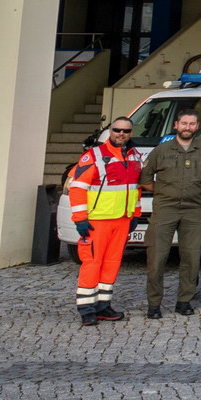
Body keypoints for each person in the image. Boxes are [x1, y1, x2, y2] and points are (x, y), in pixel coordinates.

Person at [67, 116, 142, 325]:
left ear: (131, 133)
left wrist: (135, 214)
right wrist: (80, 219)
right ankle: (87, 309)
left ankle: (103, 305)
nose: (121, 134)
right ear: (110, 131)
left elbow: (136, 189)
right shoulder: (94, 156)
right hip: (97, 221)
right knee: (92, 263)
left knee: (112, 264)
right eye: (117, 129)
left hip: (121, 221)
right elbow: (77, 188)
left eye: (126, 131)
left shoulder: (134, 156)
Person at [140, 109, 201, 318]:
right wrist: (166, 190)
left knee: (191, 258)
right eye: (184, 124)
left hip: (193, 209)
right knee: (157, 258)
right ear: (176, 125)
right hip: (165, 208)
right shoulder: (161, 151)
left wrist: (190, 189)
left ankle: (184, 301)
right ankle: (154, 304)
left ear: (197, 126)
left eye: (192, 124)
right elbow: (145, 179)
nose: (187, 128)